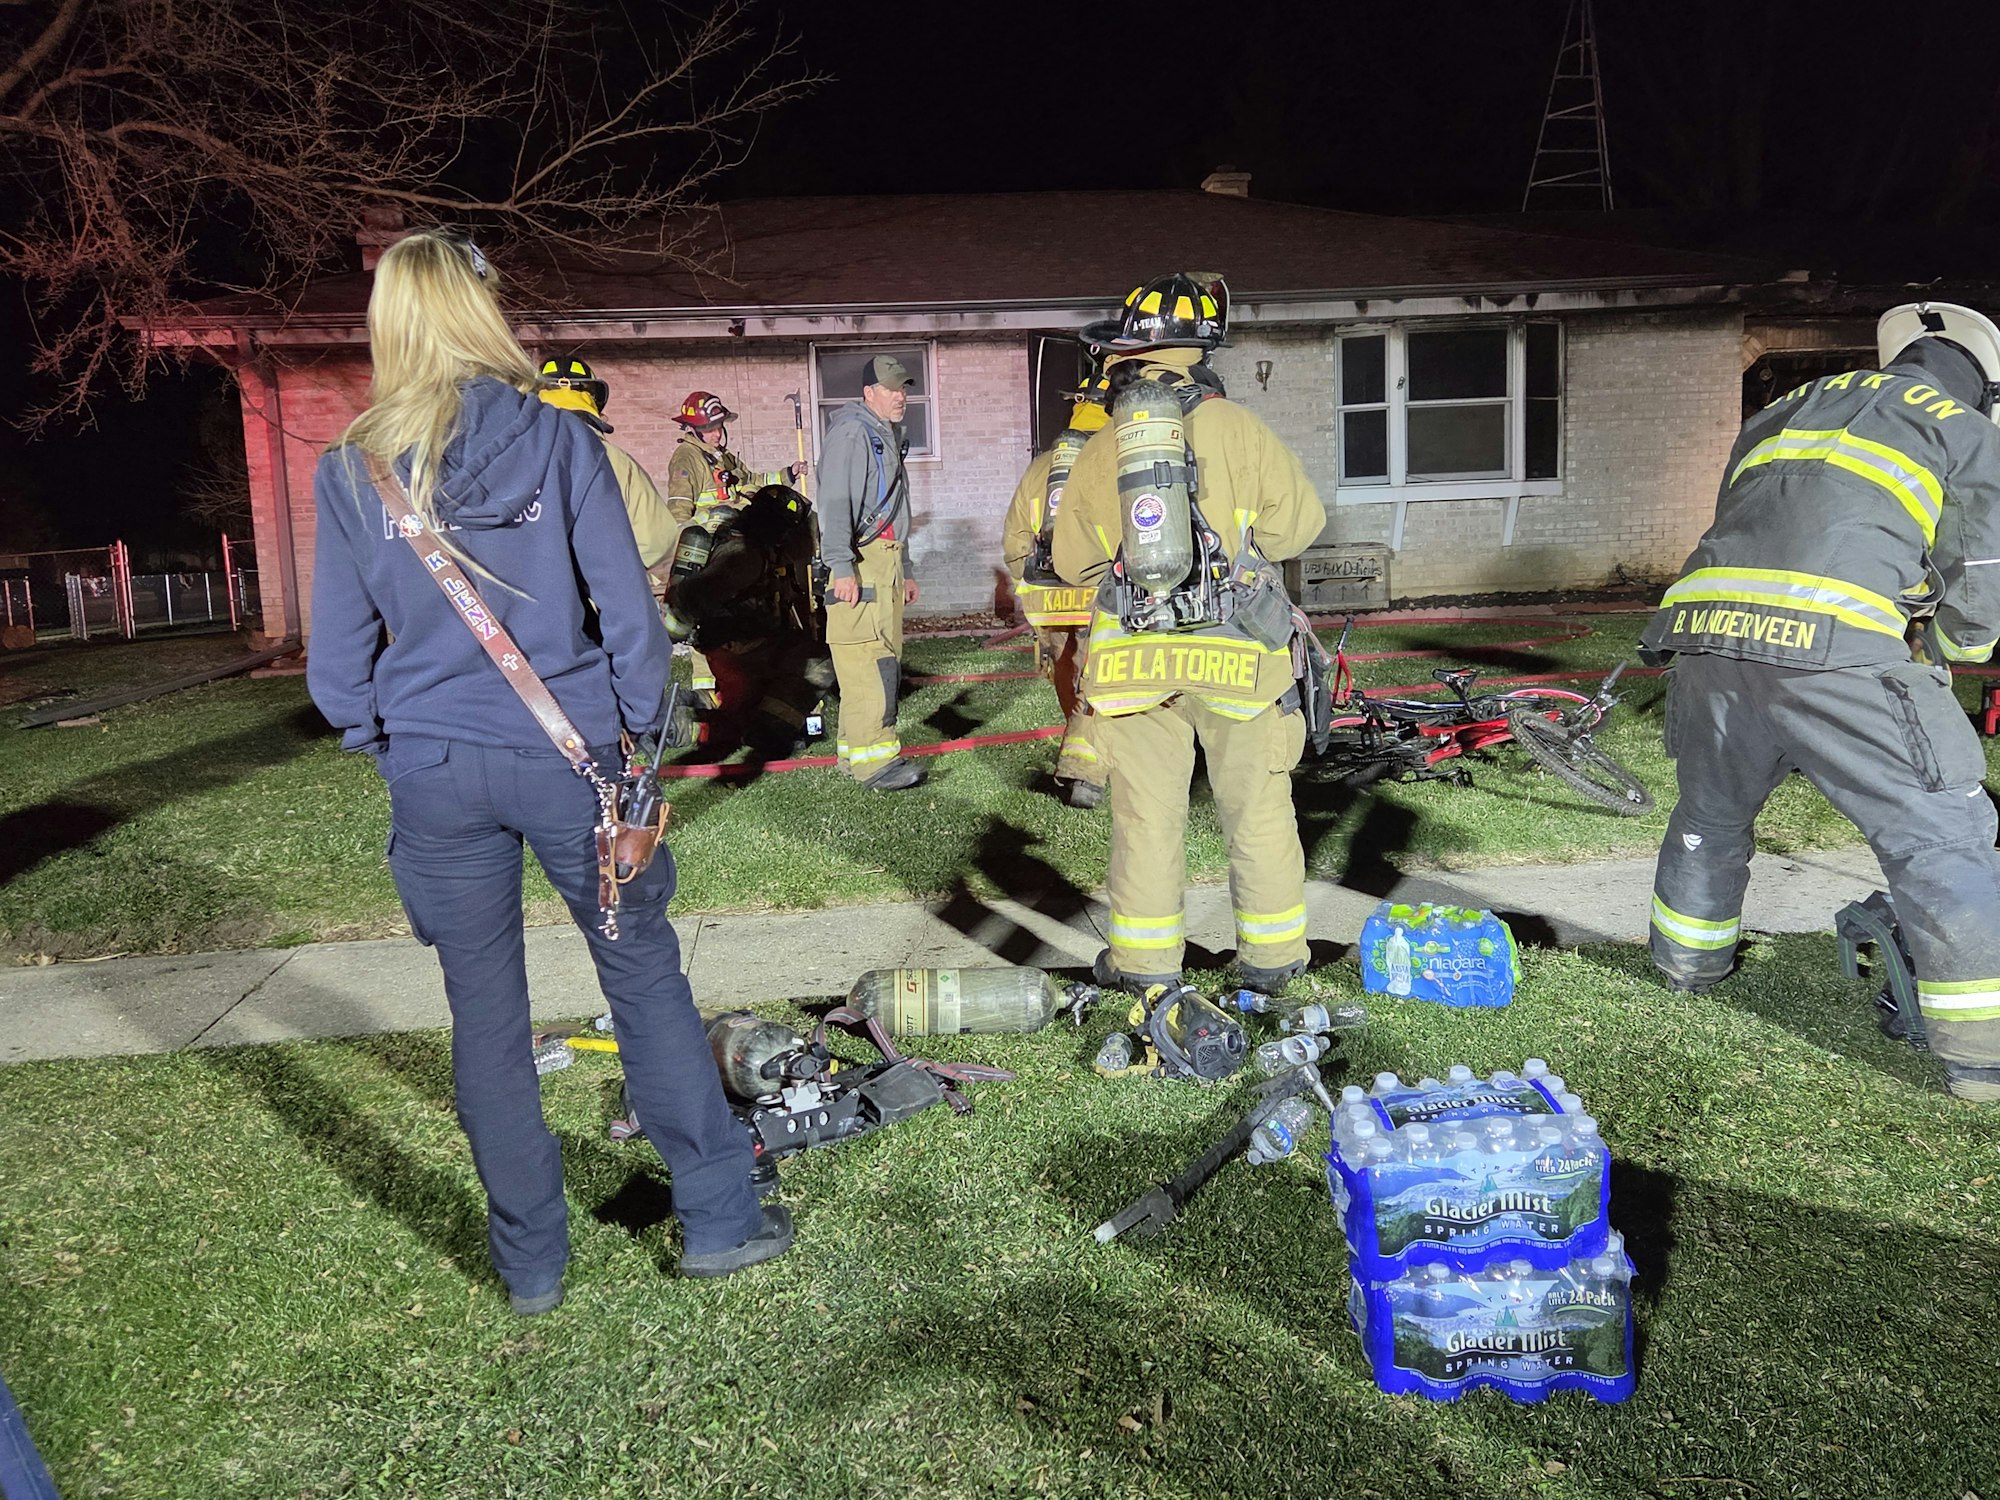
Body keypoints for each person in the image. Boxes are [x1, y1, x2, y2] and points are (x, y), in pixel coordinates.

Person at [306, 229, 792, 1312]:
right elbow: (630, 620)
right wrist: (629, 756)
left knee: (482, 1016)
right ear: (482, 312)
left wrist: (392, 747)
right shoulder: (557, 440)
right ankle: (717, 1221)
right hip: (572, 762)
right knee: (642, 984)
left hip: (435, 771)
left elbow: (338, 672)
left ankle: (531, 1267)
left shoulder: (352, 468)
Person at [1642, 300, 2000, 1103]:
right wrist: (1951, 652)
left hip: (1704, 637)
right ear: (1986, 385)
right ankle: (1984, 1058)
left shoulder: (1782, 407)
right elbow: (1980, 577)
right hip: (1835, 650)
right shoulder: (1967, 431)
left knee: (1709, 815)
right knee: (1944, 837)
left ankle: (1686, 970)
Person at [1052, 272, 1326, 994]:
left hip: (1136, 670)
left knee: (1146, 823)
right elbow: (1298, 529)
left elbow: (1074, 563)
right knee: (1258, 812)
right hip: (1239, 662)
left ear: (1124, 355)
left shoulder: (1105, 443)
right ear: (1201, 350)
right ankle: (1270, 964)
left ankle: (1144, 967)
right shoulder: (1239, 428)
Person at [1003, 372, 1112, 806]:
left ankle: (1077, 744)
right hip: (1096, 593)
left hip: (1047, 597)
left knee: (1066, 668)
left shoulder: (1041, 467)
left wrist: (1027, 591)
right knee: (1099, 678)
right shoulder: (1114, 460)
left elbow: (1014, 539)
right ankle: (1085, 771)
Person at [818, 354, 926, 790]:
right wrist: (841, 566)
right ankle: (875, 764)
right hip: (861, 563)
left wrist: (907, 566)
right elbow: (835, 503)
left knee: (876, 658)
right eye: (893, 388)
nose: (902, 396)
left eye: (904, 388)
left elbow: (896, 510)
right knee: (869, 660)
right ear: (869, 393)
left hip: (884, 561)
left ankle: (854, 754)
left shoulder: (881, 433)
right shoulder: (852, 433)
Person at [673, 483, 833, 757]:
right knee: (819, 662)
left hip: (745, 646)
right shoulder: (744, 555)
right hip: (739, 650)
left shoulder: (755, 547)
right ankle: (767, 732)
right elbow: (694, 596)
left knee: (744, 702)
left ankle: (685, 711)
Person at [664, 391, 804, 704]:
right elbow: (678, 510)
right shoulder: (687, 458)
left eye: (719, 427)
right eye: (710, 428)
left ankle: (742, 681)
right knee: (707, 614)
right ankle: (704, 690)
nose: (717, 433)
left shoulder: (722, 457)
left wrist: (788, 474)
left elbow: (751, 481)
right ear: (694, 430)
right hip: (710, 548)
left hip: (736, 543)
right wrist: (697, 536)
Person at [535, 356, 679, 574]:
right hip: (593, 598)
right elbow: (657, 540)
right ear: (593, 401)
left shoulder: (503, 459)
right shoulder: (617, 462)